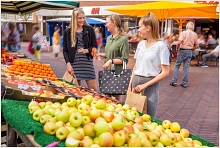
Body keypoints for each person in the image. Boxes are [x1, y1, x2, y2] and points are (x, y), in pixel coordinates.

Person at [127, 12, 170, 117]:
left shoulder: (161, 46)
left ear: (148, 28)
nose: (138, 29)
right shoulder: (141, 44)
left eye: (140, 26)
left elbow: (166, 72)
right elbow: (136, 66)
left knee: (149, 117)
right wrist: (130, 84)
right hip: (136, 82)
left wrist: (145, 85)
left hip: (150, 84)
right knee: (132, 115)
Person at [96, 14, 129, 102]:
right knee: (106, 98)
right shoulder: (109, 38)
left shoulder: (123, 39)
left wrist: (111, 61)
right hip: (107, 73)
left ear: (113, 23)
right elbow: (109, 54)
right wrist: (101, 54)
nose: (106, 25)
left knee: (116, 101)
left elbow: (125, 59)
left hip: (117, 73)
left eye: (107, 23)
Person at [63, 8, 98, 91]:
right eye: (80, 18)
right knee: (76, 91)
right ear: (74, 19)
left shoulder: (89, 29)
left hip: (87, 63)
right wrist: (68, 64)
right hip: (74, 64)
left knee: (94, 90)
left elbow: (94, 46)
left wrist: (87, 50)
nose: (82, 20)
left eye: (83, 17)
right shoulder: (68, 31)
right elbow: (65, 50)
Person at [170, 22, 199, 88]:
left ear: (186, 27)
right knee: (186, 68)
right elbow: (197, 45)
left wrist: (174, 44)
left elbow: (179, 42)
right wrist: (191, 48)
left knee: (177, 66)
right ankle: (185, 83)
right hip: (189, 51)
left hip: (183, 50)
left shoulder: (183, 33)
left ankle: (174, 81)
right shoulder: (195, 34)